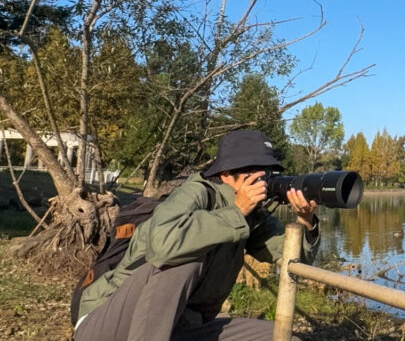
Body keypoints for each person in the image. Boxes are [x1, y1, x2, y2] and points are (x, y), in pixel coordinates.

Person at [74, 130, 320, 341]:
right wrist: (236, 212)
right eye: (252, 170)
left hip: (180, 328)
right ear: (225, 174)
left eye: (265, 171)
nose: (261, 179)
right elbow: (163, 246)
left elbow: (294, 260)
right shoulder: (197, 193)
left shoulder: (254, 216)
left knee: (283, 338)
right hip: (106, 323)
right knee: (187, 254)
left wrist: (306, 221)